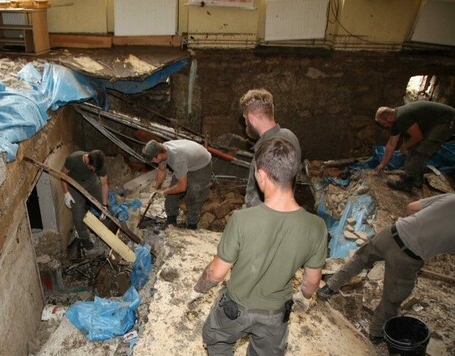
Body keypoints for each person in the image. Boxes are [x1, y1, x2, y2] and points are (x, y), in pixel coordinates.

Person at [187, 137, 328, 355]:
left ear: (261, 174)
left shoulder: (242, 219)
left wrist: (198, 290)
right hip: (275, 315)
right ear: (294, 175)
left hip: (235, 309)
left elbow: (216, 272)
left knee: (218, 341)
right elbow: (312, 281)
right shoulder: (317, 227)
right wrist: (304, 298)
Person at [317, 193, 455, 345]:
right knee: (393, 297)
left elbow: (411, 207)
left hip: (391, 233)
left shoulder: (450, 198)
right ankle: (376, 333)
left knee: (360, 259)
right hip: (407, 258)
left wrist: (416, 227)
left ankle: (330, 287)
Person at [374, 101, 455, 192]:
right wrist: (383, 164)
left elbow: (418, 136)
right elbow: (391, 144)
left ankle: (407, 183)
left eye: (384, 124)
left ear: (389, 118)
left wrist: (405, 146)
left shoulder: (402, 116)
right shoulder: (396, 122)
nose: (385, 126)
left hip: (447, 120)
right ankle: (416, 178)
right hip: (435, 122)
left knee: (421, 149)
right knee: (412, 146)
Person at [240, 88, 301, 208]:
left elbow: (254, 202)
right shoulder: (290, 136)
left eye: (245, 119)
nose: (246, 124)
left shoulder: (263, 152)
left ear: (251, 118)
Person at [142, 139, 212, 230]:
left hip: (201, 165)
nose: (152, 162)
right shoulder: (163, 150)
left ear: (159, 155)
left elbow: (182, 187)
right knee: (172, 191)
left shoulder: (177, 160)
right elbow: (161, 170)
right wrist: (156, 189)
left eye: (152, 159)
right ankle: (171, 220)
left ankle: (191, 225)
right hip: (187, 161)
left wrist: (163, 192)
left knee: (194, 195)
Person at [61, 150, 109, 252]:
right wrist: (66, 193)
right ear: (87, 160)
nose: (95, 170)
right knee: (78, 214)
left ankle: (110, 232)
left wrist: (104, 206)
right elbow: (63, 175)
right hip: (74, 184)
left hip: (91, 181)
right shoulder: (73, 159)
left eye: (96, 170)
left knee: (106, 208)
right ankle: (85, 241)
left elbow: (104, 184)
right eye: (93, 169)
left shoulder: (99, 165)